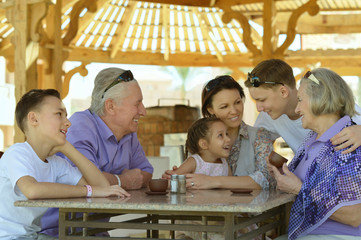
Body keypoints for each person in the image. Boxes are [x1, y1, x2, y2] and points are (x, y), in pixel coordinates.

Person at [0, 89, 129, 239]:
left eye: (66, 116)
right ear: (34, 119)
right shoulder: (17, 153)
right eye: (59, 114)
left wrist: (68, 148)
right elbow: (32, 190)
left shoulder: (57, 163)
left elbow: (103, 188)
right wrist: (89, 190)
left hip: (33, 236)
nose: (68, 122)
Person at [40, 68, 153, 236]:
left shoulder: (128, 133)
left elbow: (146, 174)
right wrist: (124, 180)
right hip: (60, 232)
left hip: (94, 231)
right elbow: (85, 181)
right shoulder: (80, 126)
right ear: (111, 106)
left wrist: (115, 180)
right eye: (137, 103)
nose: (143, 111)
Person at [270, 68, 361, 240]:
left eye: (300, 100)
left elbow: (354, 215)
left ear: (320, 98)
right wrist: (283, 177)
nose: (296, 109)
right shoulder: (312, 140)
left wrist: (299, 189)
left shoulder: (346, 142)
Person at [164, 75, 276, 190]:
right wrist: (173, 178)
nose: (234, 111)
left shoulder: (260, 136)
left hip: (252, 207)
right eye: (224, 106)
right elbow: (187, 180)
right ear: (210, 109)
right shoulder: (201, 138)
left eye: (237, 102)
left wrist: (213, 181)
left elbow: (268, 179)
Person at [245, 58, 361, 154]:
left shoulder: (328, 104)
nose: (258, 108)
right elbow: (250, 145)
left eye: (262, 100)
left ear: (283, 92)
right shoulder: (268, 116)